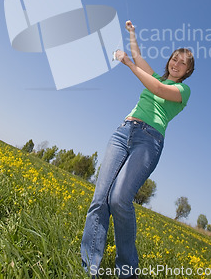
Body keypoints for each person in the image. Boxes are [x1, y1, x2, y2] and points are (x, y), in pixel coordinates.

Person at [81, 21, 195, 279]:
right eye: (174, 59)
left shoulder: (182, 90)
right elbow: (138, 56)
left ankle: (127, 270)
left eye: (182, 63)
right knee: (100, 198)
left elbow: (156, 89)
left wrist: (128, 65)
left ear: (187, 72)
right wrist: (132, 34)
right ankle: (89, 268)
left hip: (149, 140)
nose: (175, 64)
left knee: (119, 199)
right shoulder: (155, 75)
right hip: (123, 132)